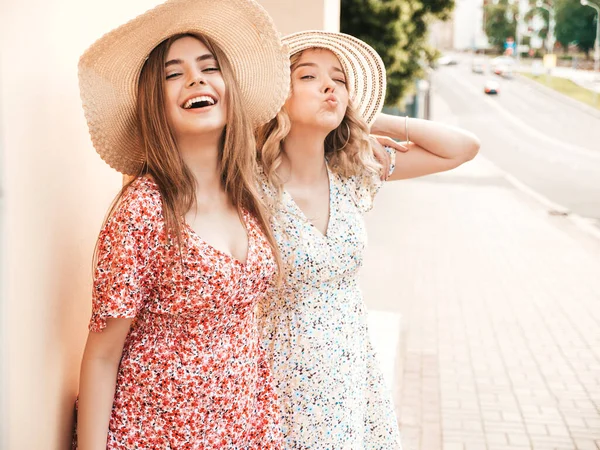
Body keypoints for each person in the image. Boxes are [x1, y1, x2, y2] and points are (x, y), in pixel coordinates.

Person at [73, 0, 290, 448]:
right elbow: (102, 354)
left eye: (209, 67)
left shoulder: (247, 195)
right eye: (174, 74)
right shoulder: (144, 210)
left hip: (242, 429)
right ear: (156, 105)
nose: (195, 78)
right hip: (160, 434)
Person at [256, 30, 481, 449]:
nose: (328, 87)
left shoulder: (353, 170)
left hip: (349, 378)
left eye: (339, 80)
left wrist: (365, 116)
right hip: (275, 382)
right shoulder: (248, 186)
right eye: (308, 77)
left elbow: (462, 148)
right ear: (275, 95)